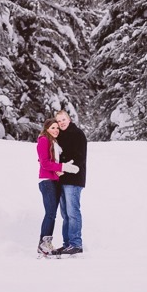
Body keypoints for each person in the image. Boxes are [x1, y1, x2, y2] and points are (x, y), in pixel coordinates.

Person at [36, 118, 79, 256]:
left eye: (57, 128)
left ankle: (45, 243)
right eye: (53, 127)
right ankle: (43, 244)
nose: (56, 130)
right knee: (50, 214)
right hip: (47, 181)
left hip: (54, 180)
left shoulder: (53, 142)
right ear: (46, 128)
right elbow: (45, 163)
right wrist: (62, 167)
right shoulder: (43, 140)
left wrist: (60, 169)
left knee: (52, 214)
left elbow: (49, 160)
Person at [52, 109, 87, 257]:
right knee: (65, 214)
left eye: (63, 120)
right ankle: (67, 244)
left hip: (73, 179)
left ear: (69, 119)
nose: (61, 123)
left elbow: (78, 158)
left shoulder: (77, 134)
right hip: (61, 179)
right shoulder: (60, 136)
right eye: (59, 121)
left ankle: (76, 244)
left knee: (73, 212)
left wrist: (64, 169)